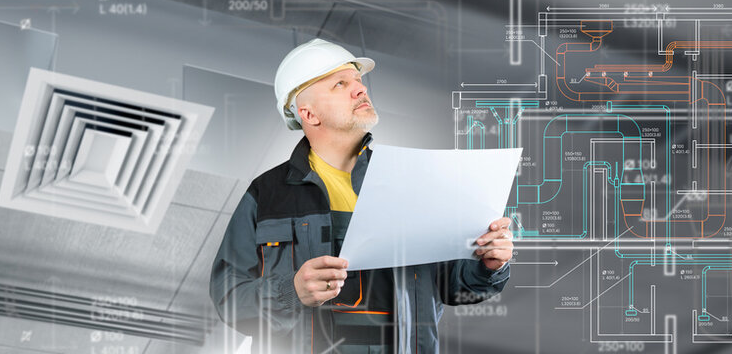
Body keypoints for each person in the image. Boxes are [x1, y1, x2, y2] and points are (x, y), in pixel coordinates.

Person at [209, 38, 513, 354]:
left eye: (358, 81)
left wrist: (488, 265)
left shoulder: (413, 183)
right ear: (309, 114)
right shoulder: (267, 194)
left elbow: (456, 286)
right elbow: (228, 299)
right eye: (341, 84)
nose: (360, 89)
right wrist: (291, 292)